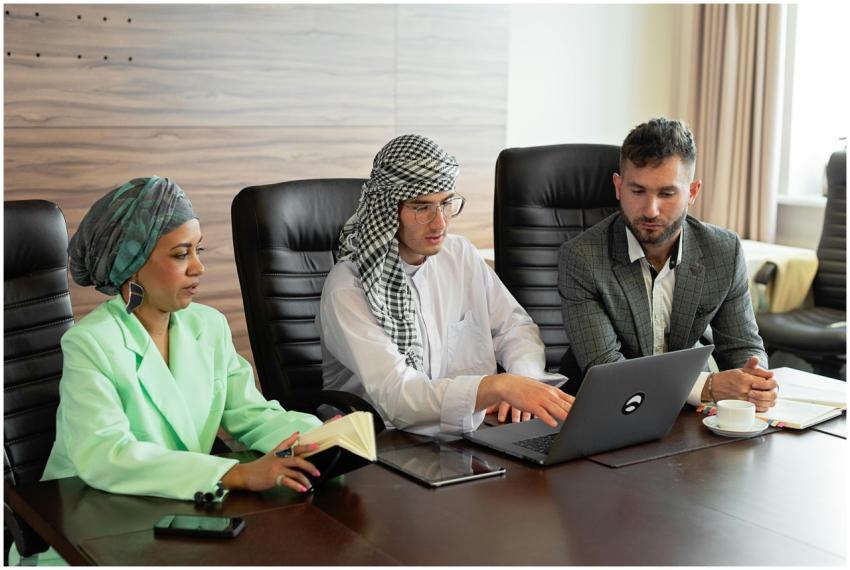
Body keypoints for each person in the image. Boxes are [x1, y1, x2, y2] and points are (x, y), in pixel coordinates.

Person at [42, 176, 325, 502]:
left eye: (197, 250)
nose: (198, 267)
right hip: (89, 507)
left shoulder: (209, 325)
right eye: (181, 254)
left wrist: (320, 437)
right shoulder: (90, 343)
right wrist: (236, 474)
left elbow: (251, 413)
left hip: (174, 501)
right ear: (132, 265)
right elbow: (107, 454)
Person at [318, 134, 573, 436]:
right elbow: (399, 398)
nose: (439, 223)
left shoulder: (460, 254)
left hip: (472, 433)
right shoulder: (349, 288)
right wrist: (497, 387)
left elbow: (515, 327)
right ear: (387, 210)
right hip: (386, 441)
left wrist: (522, 381)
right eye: (421, 207)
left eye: (446, 203)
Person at [557, 117, 778, 410]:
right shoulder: (582, 258)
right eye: (637, 191)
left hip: (688, 413)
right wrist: (707, 386)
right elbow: (607, 370)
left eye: (667, 193)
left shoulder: (723, 251)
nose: (651, 210)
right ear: (618, 187)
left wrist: (755, 382)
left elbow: (743, 346)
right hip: (603, 410)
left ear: (693, 192)